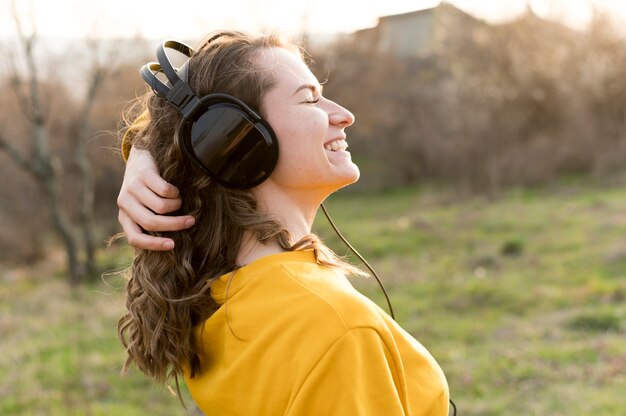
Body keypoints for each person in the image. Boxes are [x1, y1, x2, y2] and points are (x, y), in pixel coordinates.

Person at [117, 30, 450, 415]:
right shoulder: (337, 328)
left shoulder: (219, 296)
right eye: (310, 99)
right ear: (240, 140)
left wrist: (141, 149)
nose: (344, 114)